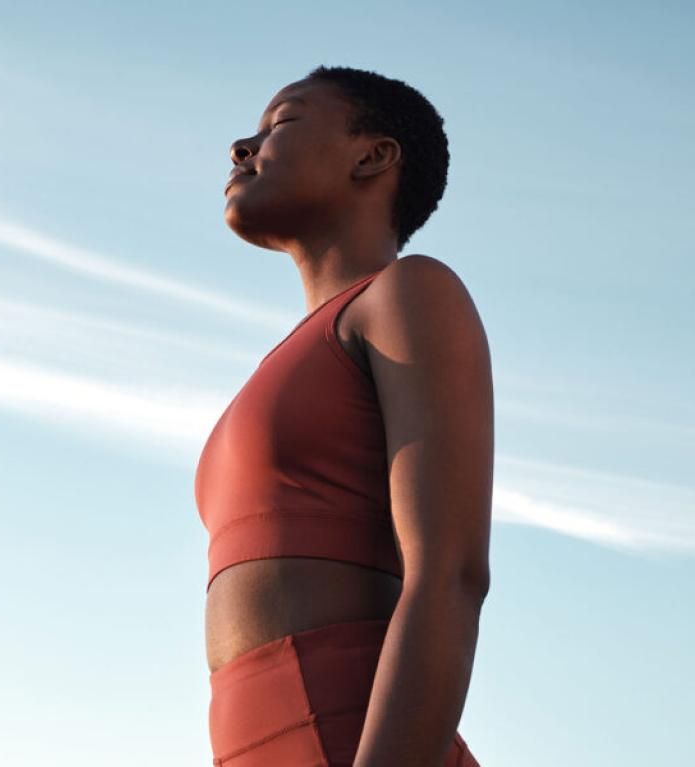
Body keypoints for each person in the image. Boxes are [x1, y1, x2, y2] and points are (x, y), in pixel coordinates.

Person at [195, 65, 493, 766]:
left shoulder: (407, 293)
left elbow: (451, 572)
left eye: (282, 123)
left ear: (373, 155)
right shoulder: (284, 360)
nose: (243, 145)